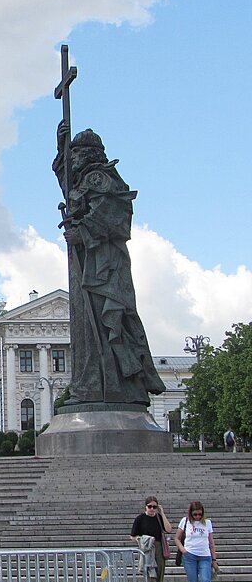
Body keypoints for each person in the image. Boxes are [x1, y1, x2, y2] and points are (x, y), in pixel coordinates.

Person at [53, 123, 166, 406]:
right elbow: (69, 185)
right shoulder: (84, 179)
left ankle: (115, 386)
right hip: (87, 262)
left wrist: (83, 232)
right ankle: (91, 385)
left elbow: (114, 215)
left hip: (105, 266)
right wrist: (60, 148)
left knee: (108, 321)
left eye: (77, 153)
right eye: (73, 154)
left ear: (90, 155)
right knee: (86, 325)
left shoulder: (102, 179)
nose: (74, 159)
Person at [175, 501, 218, 582]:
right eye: (195, 514)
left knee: (206, 581)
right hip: (190, 556)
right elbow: (177, 538)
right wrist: (183, 550)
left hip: (205, 555)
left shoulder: (207, 523)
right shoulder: (185, 521)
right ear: (191, 514)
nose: (197, 517)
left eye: (199, 514)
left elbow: (211, 543)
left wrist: (214, 559)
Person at [131, 496, 172, 582]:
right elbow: (133, 535)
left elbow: (169, 529)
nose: (152, 509)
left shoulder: (159, 518)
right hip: (148, 549)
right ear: (145, 506)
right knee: (151, 578)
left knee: (159, 577)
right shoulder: (140, 519)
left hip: (159, 548)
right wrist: (141, 539)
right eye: (150, 506)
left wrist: (162, 513)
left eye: (154, 507)